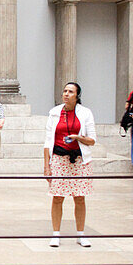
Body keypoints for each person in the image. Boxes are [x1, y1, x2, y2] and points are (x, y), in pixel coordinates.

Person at [43, 81, 97, 247]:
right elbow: (47, 141)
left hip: (79, 160)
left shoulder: (85, 113)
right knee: (57, 197)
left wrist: (77, 137)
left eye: (70, 92)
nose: (66, 94)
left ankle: (80, 234)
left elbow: (92, 140)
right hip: (59, 159)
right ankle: (56, 234)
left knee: (79, 198)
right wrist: (47, 166)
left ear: (77, 95)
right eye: (65, 91)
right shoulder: (54, 113)